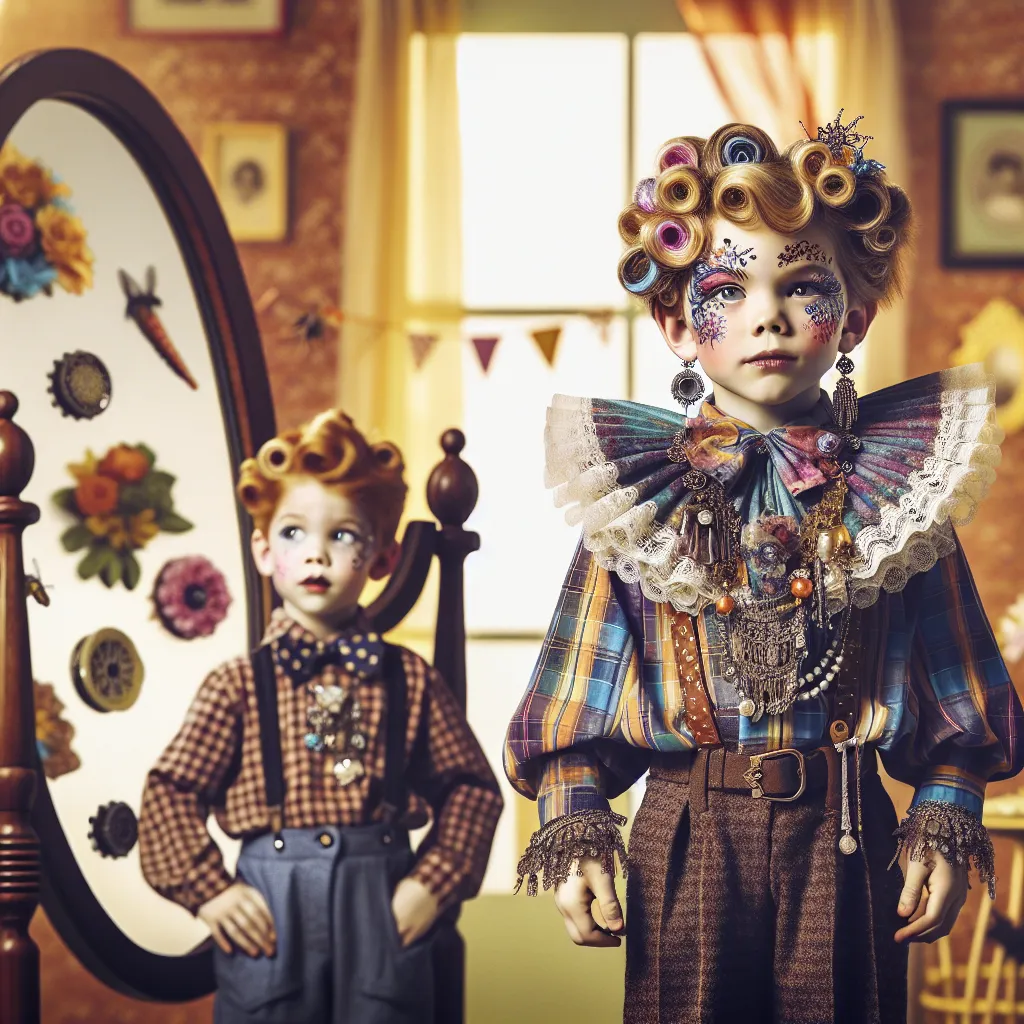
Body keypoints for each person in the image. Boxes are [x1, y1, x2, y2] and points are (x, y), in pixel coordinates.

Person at [504, 116, 1024, 1024]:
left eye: (803, 285)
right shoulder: (632, 497)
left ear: (853, 318)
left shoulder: (903, 490)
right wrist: (576, 818)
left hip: (849, 837)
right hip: (687, 836)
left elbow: (957, 687)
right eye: (727, 289)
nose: (769, 315)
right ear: (674, 323)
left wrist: (947, 806)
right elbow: (572, 700)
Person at [138, 408, 503, 1023]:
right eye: (293, 534)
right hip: (273, 904)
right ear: (261, 549)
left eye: (343, 536)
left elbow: (472, 789)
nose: (316, 556)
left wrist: (429, 884)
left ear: (381, 557)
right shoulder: (237, 686)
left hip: (381, 898)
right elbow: (170, 792)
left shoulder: (408, 678)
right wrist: (211, 892)